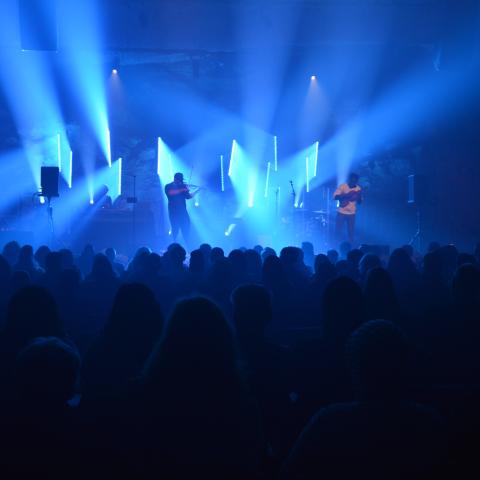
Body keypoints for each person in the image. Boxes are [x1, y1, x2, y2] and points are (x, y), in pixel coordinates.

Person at [164, 172, 200, 244]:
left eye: (181, 180)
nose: (180, 182)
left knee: (186, 227)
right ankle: (172, 245)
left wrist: (197, 191)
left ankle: (187, 244)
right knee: (175, 229)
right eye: (179, 180)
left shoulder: (182, 187)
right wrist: (182, 189)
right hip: (173, 212)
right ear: (175, 179)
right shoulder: (168, 186)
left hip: (183, 212)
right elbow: (171, 193)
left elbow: (188, 196)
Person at [334, 173, 362, 245]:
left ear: (356, 181)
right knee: (338, 230)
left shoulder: (358, 188)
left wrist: (359, 196)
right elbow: (335, 197)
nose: (353, 182)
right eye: (352, 180)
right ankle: (336, 244)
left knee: (351, 232)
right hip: (341, 212)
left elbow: (359, 202)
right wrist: (346, 196)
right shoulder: (343, 186)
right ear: (349, 180)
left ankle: (351, 247)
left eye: (355, 181)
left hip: (352, 213)